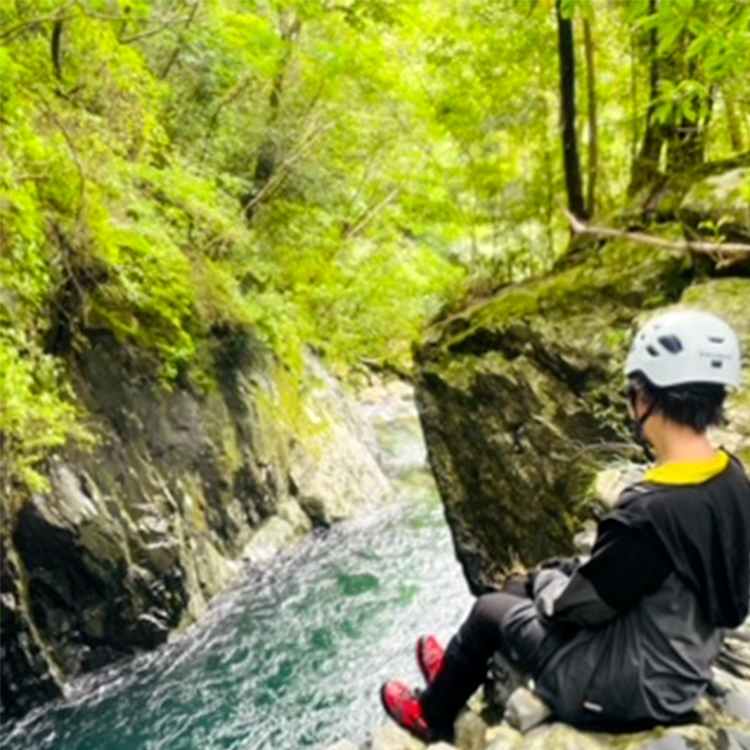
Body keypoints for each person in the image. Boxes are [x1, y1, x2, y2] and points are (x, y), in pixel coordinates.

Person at [380, 310, 750, 742]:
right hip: (683, 657)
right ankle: (455, 671)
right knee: (538, 579)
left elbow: (578, 608)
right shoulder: (730, 477)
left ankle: (431, 716)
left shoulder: (648, 514)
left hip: (625, 689)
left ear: (648, 398)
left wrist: (544, 583)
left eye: (633, 392)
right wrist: (547, 577)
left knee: (490, 610)